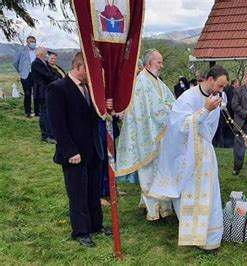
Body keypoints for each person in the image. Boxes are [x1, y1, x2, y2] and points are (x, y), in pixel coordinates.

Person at [148, 66, 229, 251]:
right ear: (209, 79)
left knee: (210, 193)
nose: (221, 90)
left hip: (206, 152)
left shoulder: (217, 97)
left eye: (224, 87)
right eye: (219, 85)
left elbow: (210, 128)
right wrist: (204, 110)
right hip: (186, 154)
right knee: (189, 193)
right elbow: (181, 126)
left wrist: (209, 111)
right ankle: (192, 233)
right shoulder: (187, 98)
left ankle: (210, 237)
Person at [47, 52, 110, 247]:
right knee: (78, 193)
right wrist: (69, 150)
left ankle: (96, 225)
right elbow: (58, 124)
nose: (94, 75)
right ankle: (81, 231)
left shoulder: (89, 89)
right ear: (79, 66)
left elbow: (93, 117)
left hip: (93, 150)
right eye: (90, 70)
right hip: (74, 152)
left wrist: (105, 108)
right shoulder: (57, 88)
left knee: (93, 190)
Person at [115, 49, 176, 221]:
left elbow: (168, 101)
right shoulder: (142, 81)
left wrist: (175, 109)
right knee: (149, 173)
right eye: (159, 62)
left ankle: (162, 207)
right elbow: (154, 108)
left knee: (159, 171)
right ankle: (153, 210)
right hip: (146, 135)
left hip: (157, 133)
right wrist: (170, 110)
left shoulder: (156, 80)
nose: (162, 65)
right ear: (149, 63)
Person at [31, 47, 58, 144]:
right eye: (45, 52)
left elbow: (50, 73)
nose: (47, 54)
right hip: (42, 92)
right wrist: (58, 80)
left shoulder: (44, 63)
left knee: (48, 113)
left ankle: (51, 134)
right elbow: (46, 75)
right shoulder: (36, 63)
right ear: (41, 53)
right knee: (44, 114)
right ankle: (46, 135)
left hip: (47, 90)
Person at [13, 35, 39, 117]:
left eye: (34, 42)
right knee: (27, 94)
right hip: (25, 75)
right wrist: (20, 71)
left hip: (35, 74)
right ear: (27, 42)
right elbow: (15, 62)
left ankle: (37, 112)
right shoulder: (21, 50)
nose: (33, 43)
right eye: (31, 41)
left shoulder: (37, 51)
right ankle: (27, 112)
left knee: (36, 93)